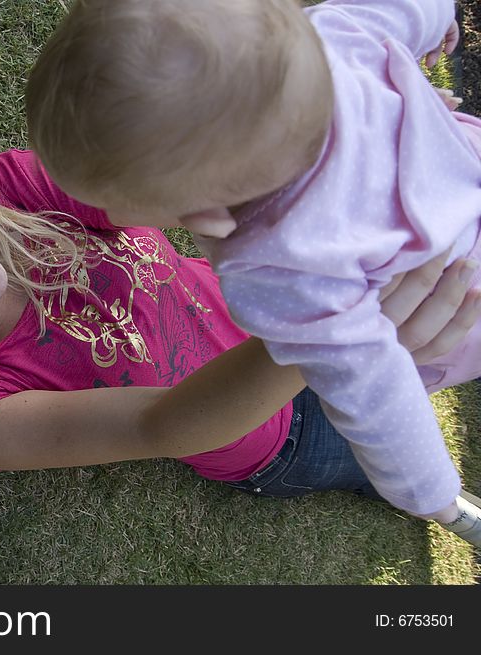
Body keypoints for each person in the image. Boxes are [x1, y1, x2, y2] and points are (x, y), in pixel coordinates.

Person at [0, 145, 481, 545]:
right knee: (400, 465)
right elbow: (162, 425)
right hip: (285, 434)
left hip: (281, 305)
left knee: (443, 327)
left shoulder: (8, 191)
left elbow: (169, 187)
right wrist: (318, 330)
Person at [24, 0, 481, 536]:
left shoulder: (279, 269)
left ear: (206, 218)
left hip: (458, 306)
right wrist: (440, 18)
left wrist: (432, 493)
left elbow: (377, 395)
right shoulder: (333, 36)